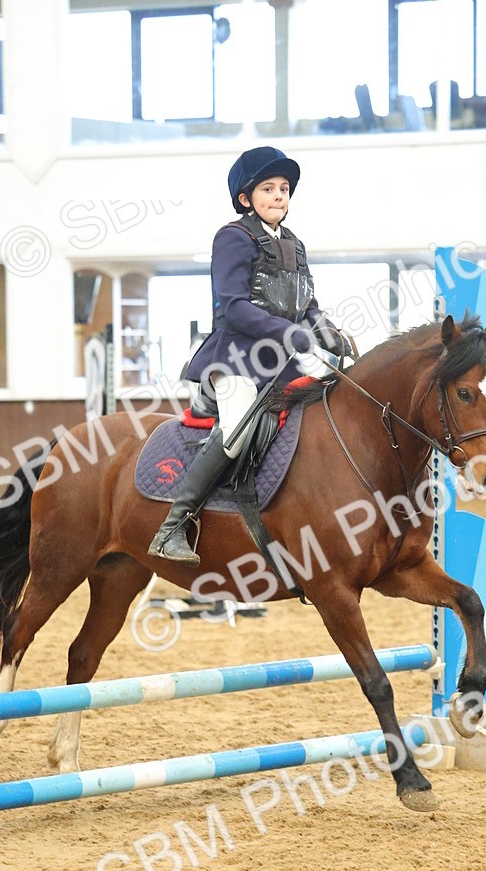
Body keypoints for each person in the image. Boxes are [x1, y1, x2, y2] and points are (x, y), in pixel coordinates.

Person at [149, 145, 349, 564]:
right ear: (246, 199)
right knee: (238, 429)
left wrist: (327, 330)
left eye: (284, 189)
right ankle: (174, 526)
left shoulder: (295, 244)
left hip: (284, 362)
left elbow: (307, 304)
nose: (279, 195)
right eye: (269, 188)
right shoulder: (232, 238)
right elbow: (234, 305)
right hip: (236, 358)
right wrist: (287, 331)